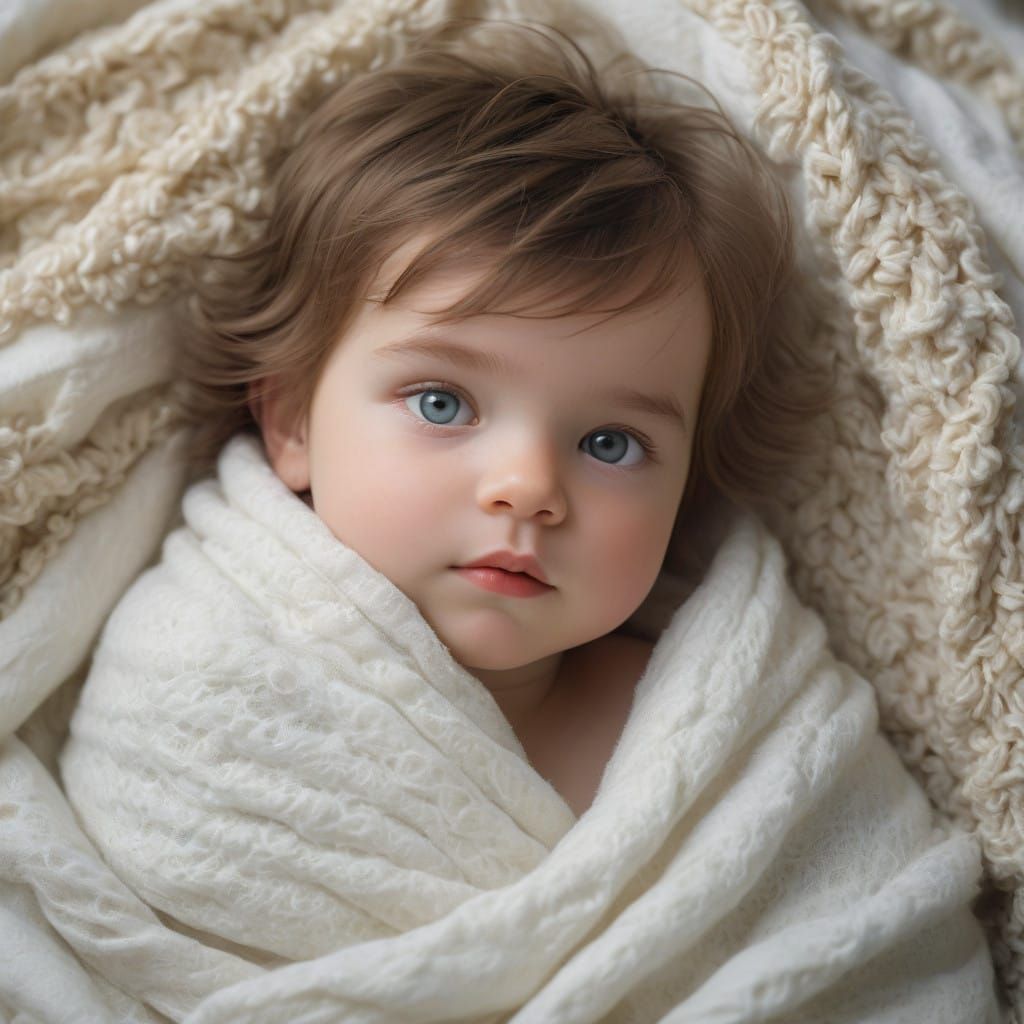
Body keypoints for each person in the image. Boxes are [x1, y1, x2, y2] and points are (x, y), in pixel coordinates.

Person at [175, 16, 828, 816]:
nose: (528, 489)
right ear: (292, 424)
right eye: (442, 404)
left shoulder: (722, 728)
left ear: (690, 481)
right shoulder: (198, 671)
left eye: (610, 443)